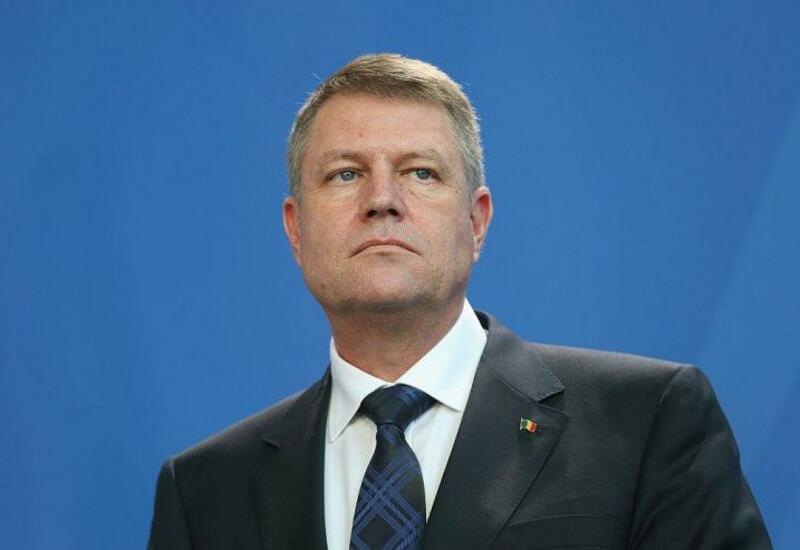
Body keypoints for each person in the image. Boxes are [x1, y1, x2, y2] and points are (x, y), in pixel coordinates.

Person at [148, 54, 771, 549]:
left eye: (421, 172)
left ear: (477, 222)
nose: (382, 199)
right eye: (345, 174)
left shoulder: (648, 422)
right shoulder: (204, 491)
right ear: (296, 229)